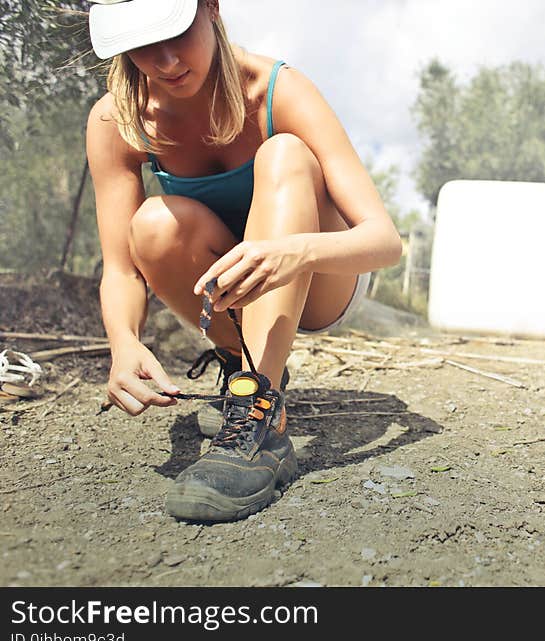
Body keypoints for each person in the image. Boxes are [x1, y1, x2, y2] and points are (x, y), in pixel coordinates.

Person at [85, 0, 402, 522]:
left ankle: (259, 421)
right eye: (142, 44)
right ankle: (244, 370)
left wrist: (294, 252)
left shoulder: (279, 89)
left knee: (285, 154)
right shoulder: (116, 118)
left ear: (209, 7)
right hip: (232, 293)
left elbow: (385, 242)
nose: (165, 61)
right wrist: (123, 341)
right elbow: (120, 269)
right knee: (152, 224)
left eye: (175, 32)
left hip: (322, 277)